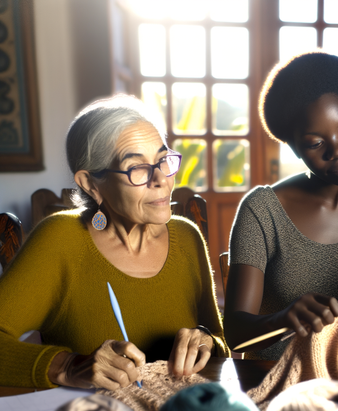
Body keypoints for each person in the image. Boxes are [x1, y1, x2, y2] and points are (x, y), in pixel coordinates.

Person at [0, 95, 228, 390]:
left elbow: (221, 345)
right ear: (91, 184)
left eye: (162, 160)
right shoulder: (60, 240)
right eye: (137, 168)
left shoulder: (187, 237)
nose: (160, 179)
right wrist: (67, 366)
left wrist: (206, 341)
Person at [224, 51, 338, 360]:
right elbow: (235, 334)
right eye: (314, 143)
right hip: (277, 388)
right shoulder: (262, 211)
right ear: (294, 149)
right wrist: (283, 319)